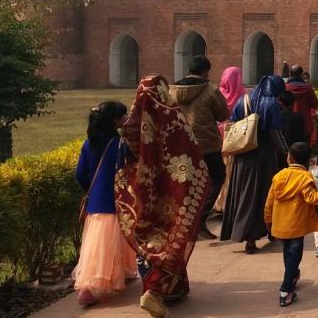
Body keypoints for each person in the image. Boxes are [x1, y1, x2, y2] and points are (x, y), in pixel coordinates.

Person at [115, 74, 209, 318]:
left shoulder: (131, 127)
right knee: (173, 239)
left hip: (142, 195)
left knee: (149, 241)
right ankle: (155, 291)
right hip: (173, 194)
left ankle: (168, 288)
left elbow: (124, 165)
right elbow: (191, 156)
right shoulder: (173, 121)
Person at [73, 101, 137, 307]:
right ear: (114, 121)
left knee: (99, 246)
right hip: (116, 201)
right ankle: (90, 288)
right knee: (107, 246)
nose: (126, 119)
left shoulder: (88, 143)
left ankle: (115, 275)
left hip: (97, 202)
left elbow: (80, 173)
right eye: (122, 116)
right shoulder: (119, 144)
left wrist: (92, 190)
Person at [221, 75, 285, 254]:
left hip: (243, 155)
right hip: (264, 157)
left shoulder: (243, 100)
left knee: (244, 195)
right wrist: (287, 153)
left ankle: (246, 234)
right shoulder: (271, 104)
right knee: (264, 195)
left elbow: (233, 122)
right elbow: (274, 134)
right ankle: (265, 231)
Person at [264, 142, 318, 308]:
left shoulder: (278, 176)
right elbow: (312, 198)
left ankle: (293, 276)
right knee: (294, 257)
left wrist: (268, 221)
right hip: (297, 226)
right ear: (308, 160)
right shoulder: (305, 177)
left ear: (289, 158)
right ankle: (285, 291)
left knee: (288, 254)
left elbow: (269, 202)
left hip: (280, 225)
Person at [170, 55, 230, 240]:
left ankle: (185, 223)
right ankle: (200, 218)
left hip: (180, 145)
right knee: (216, 178)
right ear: (205, 71)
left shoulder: (172, 91)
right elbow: (223, 114)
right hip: (207, 144)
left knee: (186, 183)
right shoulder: (210, 90)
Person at [213, 66, 246, 214]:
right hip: (236, 140)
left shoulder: (217, 94)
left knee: (218, 173)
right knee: (232, 173)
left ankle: (217, 202)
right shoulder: (243, 95)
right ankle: (230, 203)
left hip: (217, 140)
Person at [285, 65, 318, 146]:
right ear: (301, 75)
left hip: (287, 124)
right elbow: (315, 104)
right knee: (304, 149)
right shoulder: (307, 88)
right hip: (305, 124)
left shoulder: (285, 88)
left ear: (290, 74)